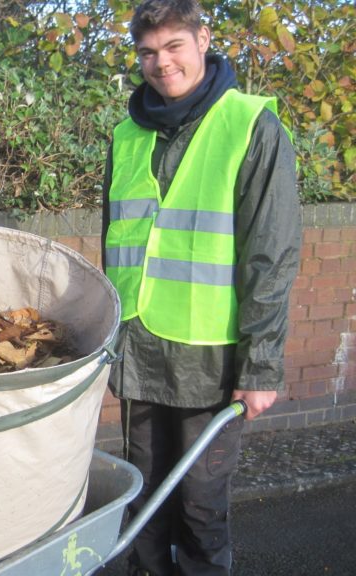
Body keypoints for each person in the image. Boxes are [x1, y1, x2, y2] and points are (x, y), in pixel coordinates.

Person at [100, 1, 301, 575]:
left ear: (203, 40)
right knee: (143, 496)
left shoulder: (250, 126)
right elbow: (116, 243)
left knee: (199, 505)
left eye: (174, 47)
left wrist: (260, 367)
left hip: (209, 362)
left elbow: (271, 254)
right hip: (138, 352)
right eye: (148, 52)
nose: (161, 63)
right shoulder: (127, 137)